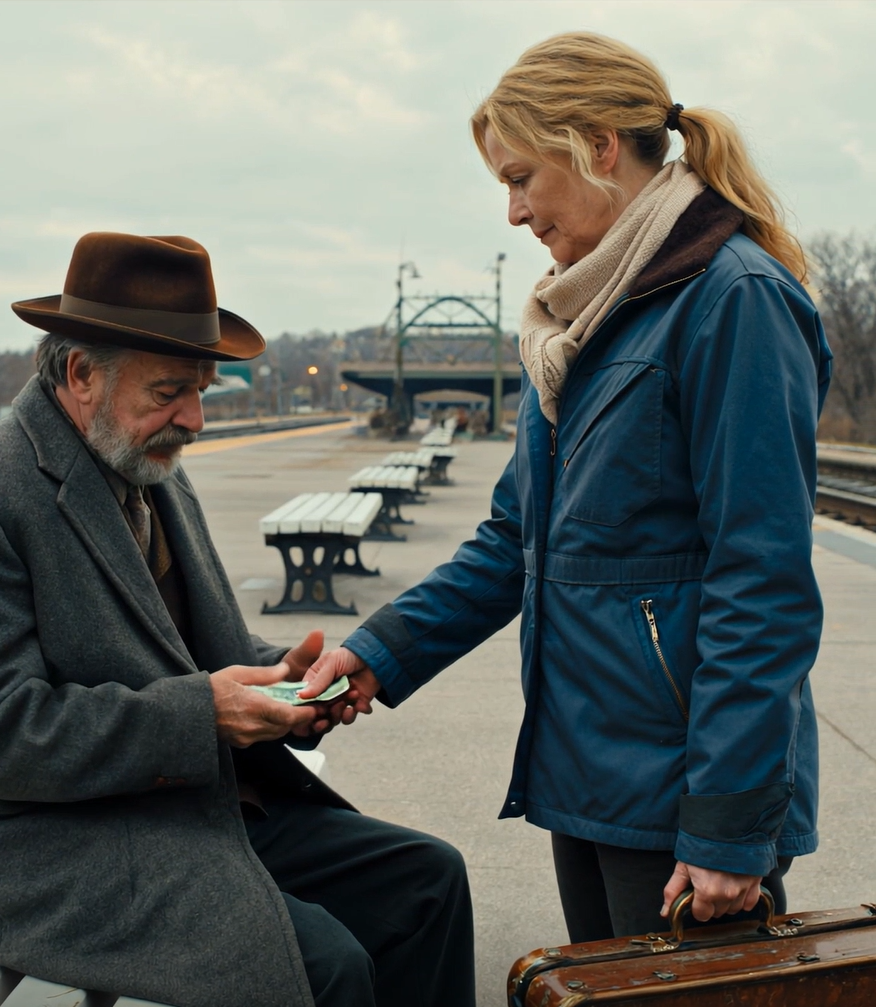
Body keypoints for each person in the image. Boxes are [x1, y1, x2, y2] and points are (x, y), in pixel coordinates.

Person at [304, 32, 833, 943]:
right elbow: (516, 541)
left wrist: (726, 823)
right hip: (587, 774)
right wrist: (378, 652)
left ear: (595, 146)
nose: (512, 213)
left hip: (681, 792)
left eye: (520, 179)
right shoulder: (577, 321)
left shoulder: (732, 300)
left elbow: (763, 580)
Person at [0, 232, 474, 1007]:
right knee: (324, 966)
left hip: (182, 806)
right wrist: (205, 715)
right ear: (81, 374)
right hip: (47, 847)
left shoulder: (150, 466)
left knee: (428, 882)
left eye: (201, 388)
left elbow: (190, 651)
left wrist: (287, 682)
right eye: (170, 391)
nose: (194, 418)